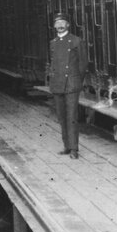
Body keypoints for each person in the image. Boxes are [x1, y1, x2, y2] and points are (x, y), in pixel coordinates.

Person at [47, 16, 87, 158]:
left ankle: (74, 149)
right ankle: (67, 146)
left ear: (68, 25)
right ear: (54, 26)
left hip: (71, 84)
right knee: (61, 117)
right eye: (57, 23)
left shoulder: (76, 41)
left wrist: (76, 81)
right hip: (57, 84)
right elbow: (53, 65)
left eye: (62, 23)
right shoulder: (53, 43)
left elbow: (83, 65)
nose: (60, 25)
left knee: (71, 117)